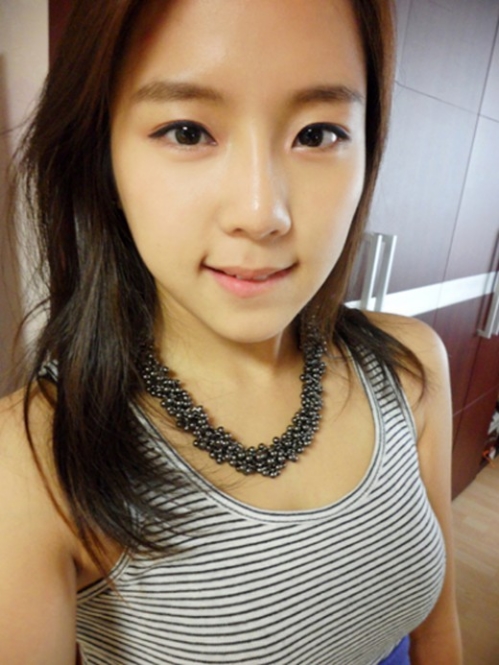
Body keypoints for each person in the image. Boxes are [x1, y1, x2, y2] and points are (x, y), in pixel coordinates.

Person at [0, 0, 463, 663]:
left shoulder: (410, 365)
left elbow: (437, 632)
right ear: (103, 159)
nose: (261, 212)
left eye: (317, 133)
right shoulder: (32, 463)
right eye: (187, 131)